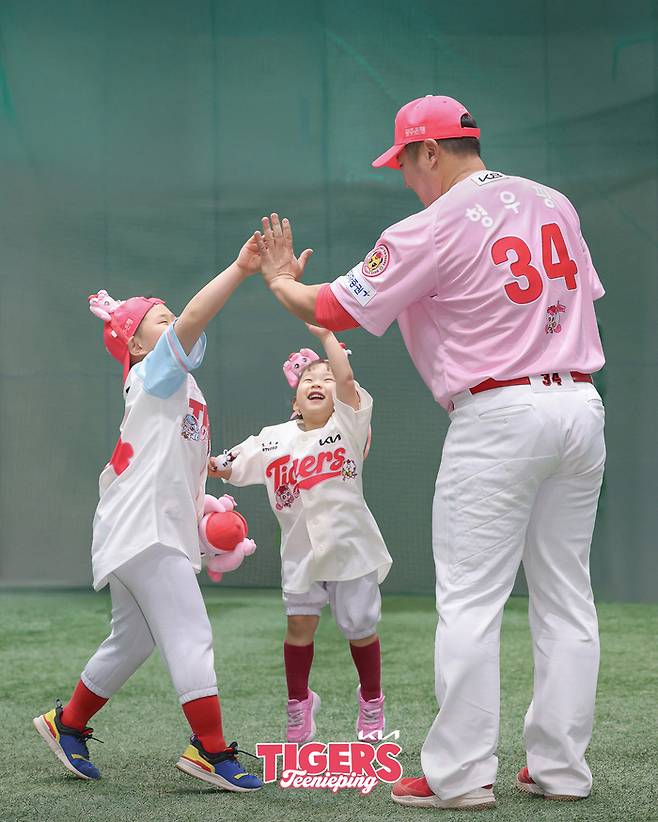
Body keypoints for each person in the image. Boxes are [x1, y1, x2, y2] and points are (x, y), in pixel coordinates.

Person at [253, 94, 606, 810]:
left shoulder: (432, 222)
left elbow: (330, 309)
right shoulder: (553, 201)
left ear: (430, 151)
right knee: (567, 598)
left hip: (500, 414)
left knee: (472, 602)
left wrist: (281, 281)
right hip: (579, 405)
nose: (406, 177)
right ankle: (561, 770)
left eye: (406, 162)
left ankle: (460, 777)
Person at [33, 238, 266, 792]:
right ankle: (210, 751)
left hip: (141, 526)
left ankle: (67, 722)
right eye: (161, 320)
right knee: (190, 634)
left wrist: (206, 494)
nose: (176, 322)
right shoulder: (158, 372)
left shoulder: (177, 384)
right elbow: (195, 317)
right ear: (136, 344)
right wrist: (239, 268)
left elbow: (171, 461)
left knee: (132, 640)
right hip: (144, 530)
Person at [208, 325, 392, 744]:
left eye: (326, 379)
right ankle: (299, 705)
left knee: (360, 628)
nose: (318, 382)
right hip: (300, 552)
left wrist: (326, 334)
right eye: (308, 379)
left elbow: (345, 380)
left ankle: (371, 701)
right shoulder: (274, 439)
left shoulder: (349, 425)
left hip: (351, 548)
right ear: (295, 400)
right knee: (298, 629)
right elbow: (226, 464)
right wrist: (203, 463)